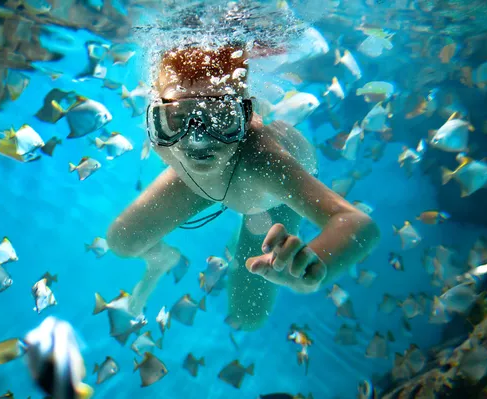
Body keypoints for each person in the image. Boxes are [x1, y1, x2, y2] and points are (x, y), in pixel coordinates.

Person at [106, 44, 380, 330]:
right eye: (178, 117)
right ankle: (162, 260)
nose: (197, 141)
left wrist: (314, 265)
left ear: (246, 118)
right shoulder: (170, 145)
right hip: (215, 182)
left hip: (270, 199)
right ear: (158, 116)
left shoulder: (264, 162)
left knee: (248, 316)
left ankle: (249, 230)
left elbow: (358, 223)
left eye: (220, 115)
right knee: (122, 240)